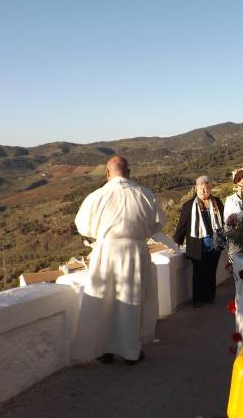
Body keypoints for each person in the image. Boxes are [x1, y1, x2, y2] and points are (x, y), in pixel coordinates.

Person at [74, 155, 165, 365]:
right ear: (129, 172)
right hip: (135, 252)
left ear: (107, 173)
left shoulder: (97, 196)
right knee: (132, 300)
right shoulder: (145, 194)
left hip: (106, 251)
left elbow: (83, 226)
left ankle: (104, 350)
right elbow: (158, 223)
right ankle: (131, 351)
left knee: (105, 299)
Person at [173, 176, 225, 307]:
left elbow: (223, 222)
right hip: (197, 245)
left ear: (210, 188)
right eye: (200, 188)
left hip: (215, 244)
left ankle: (209, 296)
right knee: (198, 273)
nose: (203, 190)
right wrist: (177, 242)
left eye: (206, 188)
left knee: (211, 272)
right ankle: (197, 299)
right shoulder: (189, 205)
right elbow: (182, 225)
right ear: (196, 188)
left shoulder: (217, 203)